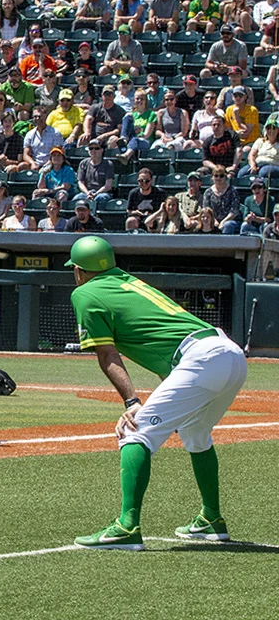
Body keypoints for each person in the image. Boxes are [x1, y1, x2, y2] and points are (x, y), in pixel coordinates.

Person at [67, 235, 247, 550]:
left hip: (200, 358)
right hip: (228, 352)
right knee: (195, 433)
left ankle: (126, 527)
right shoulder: (126, 280)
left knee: (135, 432)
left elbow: (107, 355)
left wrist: (133, 402)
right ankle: (211, 520)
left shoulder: (84, 293)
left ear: (79, 270)